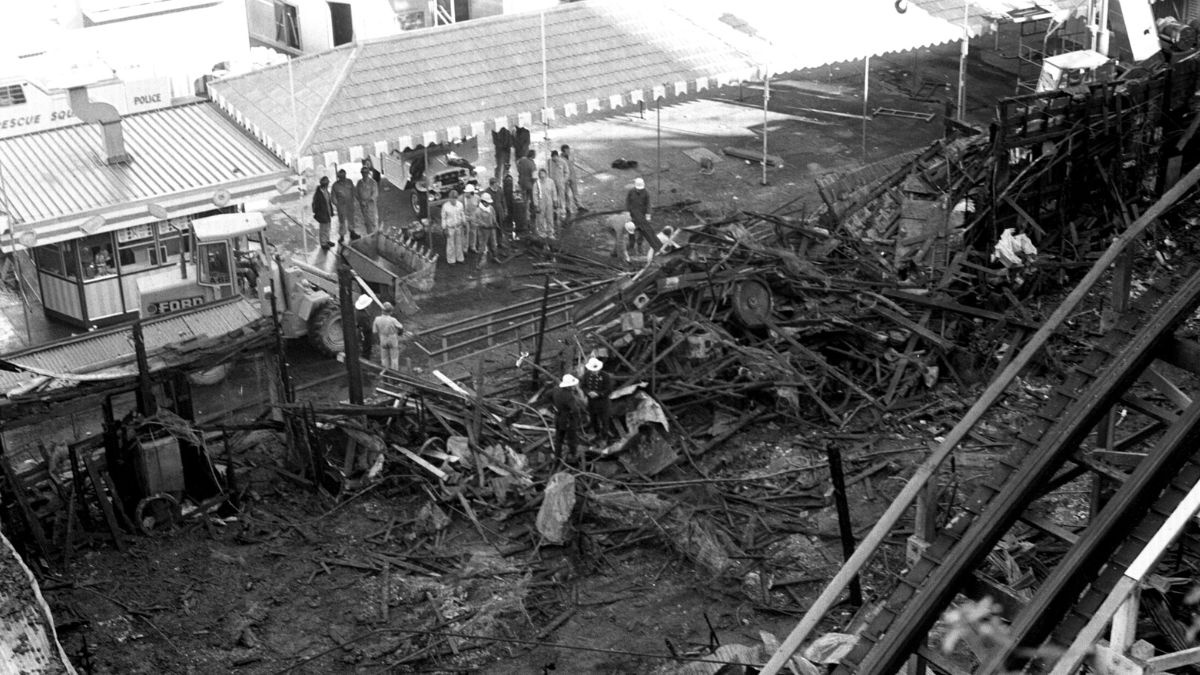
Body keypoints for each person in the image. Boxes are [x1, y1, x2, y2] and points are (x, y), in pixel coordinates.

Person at [551, 373, 586, 463]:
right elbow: (574, 410)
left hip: (558, 418)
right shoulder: (569, 396)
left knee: (559, 438)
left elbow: (548, 396)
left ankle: (557, 457)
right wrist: (577, 418)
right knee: (572, 439)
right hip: (568, 421)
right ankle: (573, 456)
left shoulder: (556, 390)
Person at [581, 357, 615, 442]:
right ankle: (597, 433)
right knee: (593, 419)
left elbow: (609, 389)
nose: (594, 372)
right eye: (592, 370)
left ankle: (604, 436)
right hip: (592, 402)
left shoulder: (605, 376)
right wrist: (588, 392)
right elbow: (583, 386)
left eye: (596, 370)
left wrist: (599, 394)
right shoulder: (587, 375)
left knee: (604, 420)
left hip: (603, 403)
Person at [626, 176, 657, 254]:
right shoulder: (631, 191)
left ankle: (639, 245)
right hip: (633, 215)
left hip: (642, 215)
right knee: (631, 230)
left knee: (641, 231)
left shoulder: (646, 192)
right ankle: (631, 246)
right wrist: (628, 212)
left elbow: (648, 204)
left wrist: (648, 214)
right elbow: (627, 202)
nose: (639, 189)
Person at [372, 302, 405, 371]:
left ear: (382, 311)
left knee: (384, 358)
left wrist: (378, 340)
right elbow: (401, 327)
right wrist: (399, 333)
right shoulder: (393, 320)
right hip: (392, 338)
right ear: (390, 312)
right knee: (394, 358)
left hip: (382, 338)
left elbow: (374, 331)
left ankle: (385, 372)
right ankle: (395, 374)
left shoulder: (377, 319)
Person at [473, 192, 500, 266]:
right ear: (483, 202)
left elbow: (493, 215)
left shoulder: (490, 208)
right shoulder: (478, 211)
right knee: (482, 247)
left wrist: (495, 223)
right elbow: (477, 221)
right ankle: (478, 263)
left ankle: (494, 257)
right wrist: (485, 225)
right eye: (487, 202)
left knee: (493, 244)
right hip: (483, 231)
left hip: (492, 229)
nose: (489, 204)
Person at [441, 190, 466, 264]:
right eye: (452, 198)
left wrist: (464, 222)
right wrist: (444, 228)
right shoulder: (445, 206)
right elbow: (443, 218)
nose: (453, 200)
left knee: (459, 243)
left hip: (458, 226)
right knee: (450, 244)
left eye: (455, 198)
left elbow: (462, 214)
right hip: (450, 228)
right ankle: (451, 260)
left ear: (457, 198)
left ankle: (460, 258)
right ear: (449, 198)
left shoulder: (460, 205)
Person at [331, 169, 357, 240]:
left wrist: (354, 201)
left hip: (350, 204)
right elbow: (333, 197)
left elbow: (354, 191)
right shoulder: (335, 185)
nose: (343, 178)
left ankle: (352, 233)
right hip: (341, 206)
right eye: (341, 177)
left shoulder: (349, 182)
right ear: (338, 177)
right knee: (342, 221)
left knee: (351, 219)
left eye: (344, 176)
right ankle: (342, 236)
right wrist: (337, 204)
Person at [533, 169, 559, 239]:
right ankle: (541, 232)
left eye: (543, 174)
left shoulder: (551, 182)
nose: (542, 175)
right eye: (540, 174)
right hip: (540, 202)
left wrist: (555, 201)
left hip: (549, 201)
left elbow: (554, 191)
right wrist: (536, 205)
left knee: (550, 217)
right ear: (539, 175)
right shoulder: (537, 183)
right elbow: (535, 194)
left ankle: (550, 232)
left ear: (546, 174)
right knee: (540, 218)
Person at [561, 144, 585, 214]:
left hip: (572, 176)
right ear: (563, 151)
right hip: (565, 178)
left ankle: (579, 206)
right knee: (566, 193)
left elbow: (572, 164)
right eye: (567, 150)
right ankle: (567, 207)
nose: (568, 151)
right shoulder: (560, 159)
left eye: (569, 150)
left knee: (575, 192)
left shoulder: (571, 156)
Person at [312, 176, 334, 249]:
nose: (328, 185)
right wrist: (318, 214)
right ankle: (323, 243)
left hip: (327, 213)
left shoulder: (326, 191)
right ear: (325, 184)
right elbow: (314, 205)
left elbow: (329, 202)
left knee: (328, 227)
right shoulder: (318, 194)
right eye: (327, 183)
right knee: (323, 229)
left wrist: (331, 211)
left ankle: (327, 240)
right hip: (322, 214)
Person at [356, 166, 379, 234]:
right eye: (363, 172)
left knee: (373, 221)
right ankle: (369, 235)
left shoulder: (373, 182)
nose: (364, 174)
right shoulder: (359, 183)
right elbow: (356, 193)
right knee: (366, 221)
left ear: (368, 173)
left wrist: (369, 200)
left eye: (366, 172)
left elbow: (375, 193)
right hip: (363, 206)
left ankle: (375, 235)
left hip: (371, 205)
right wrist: (360, 200)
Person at [516, 150, 537, 223]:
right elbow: (534, 176)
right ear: (533, 155)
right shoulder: (532, 163)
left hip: (522, 183)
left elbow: (518, 169)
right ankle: (532, 215)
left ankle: (524, 215)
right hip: (530, 184)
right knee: (532, 199)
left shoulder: (522, 161)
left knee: (524, 200)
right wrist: (535, 183)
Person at [485, 177, 508, 243]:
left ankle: (500, 241)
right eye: (496, 183)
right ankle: (493, 243)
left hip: (499, 212)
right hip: (491, 213)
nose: (497, 185)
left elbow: (503, 201)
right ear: (492, 184)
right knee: (492, 228)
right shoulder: (487, 192)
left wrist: (505, 210)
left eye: (497, 183)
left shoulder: (500, 191)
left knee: (500, 227)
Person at [548, 149, 568, 219]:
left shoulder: (563, 162)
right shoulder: (549, 162)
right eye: (552, 158)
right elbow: (548, 171)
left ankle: (563, 211)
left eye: (554, 157)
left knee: (562, 197)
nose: (553, 159)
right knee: (553, 196)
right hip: (552, 182)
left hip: (560, 182)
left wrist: (564, 180)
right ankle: (555, 211)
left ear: (556, 156)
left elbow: (566, 172)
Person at [462, 184, 480, 253]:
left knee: (473, 232)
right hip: (466, 217)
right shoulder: (462, 198)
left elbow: (479, 207)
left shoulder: (477, 198)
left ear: (471, 192)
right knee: (466, 232)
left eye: (467, 192)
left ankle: (473, 246)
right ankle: (465, 248)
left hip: (474, 217)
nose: (466, 193)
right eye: (466, 192)